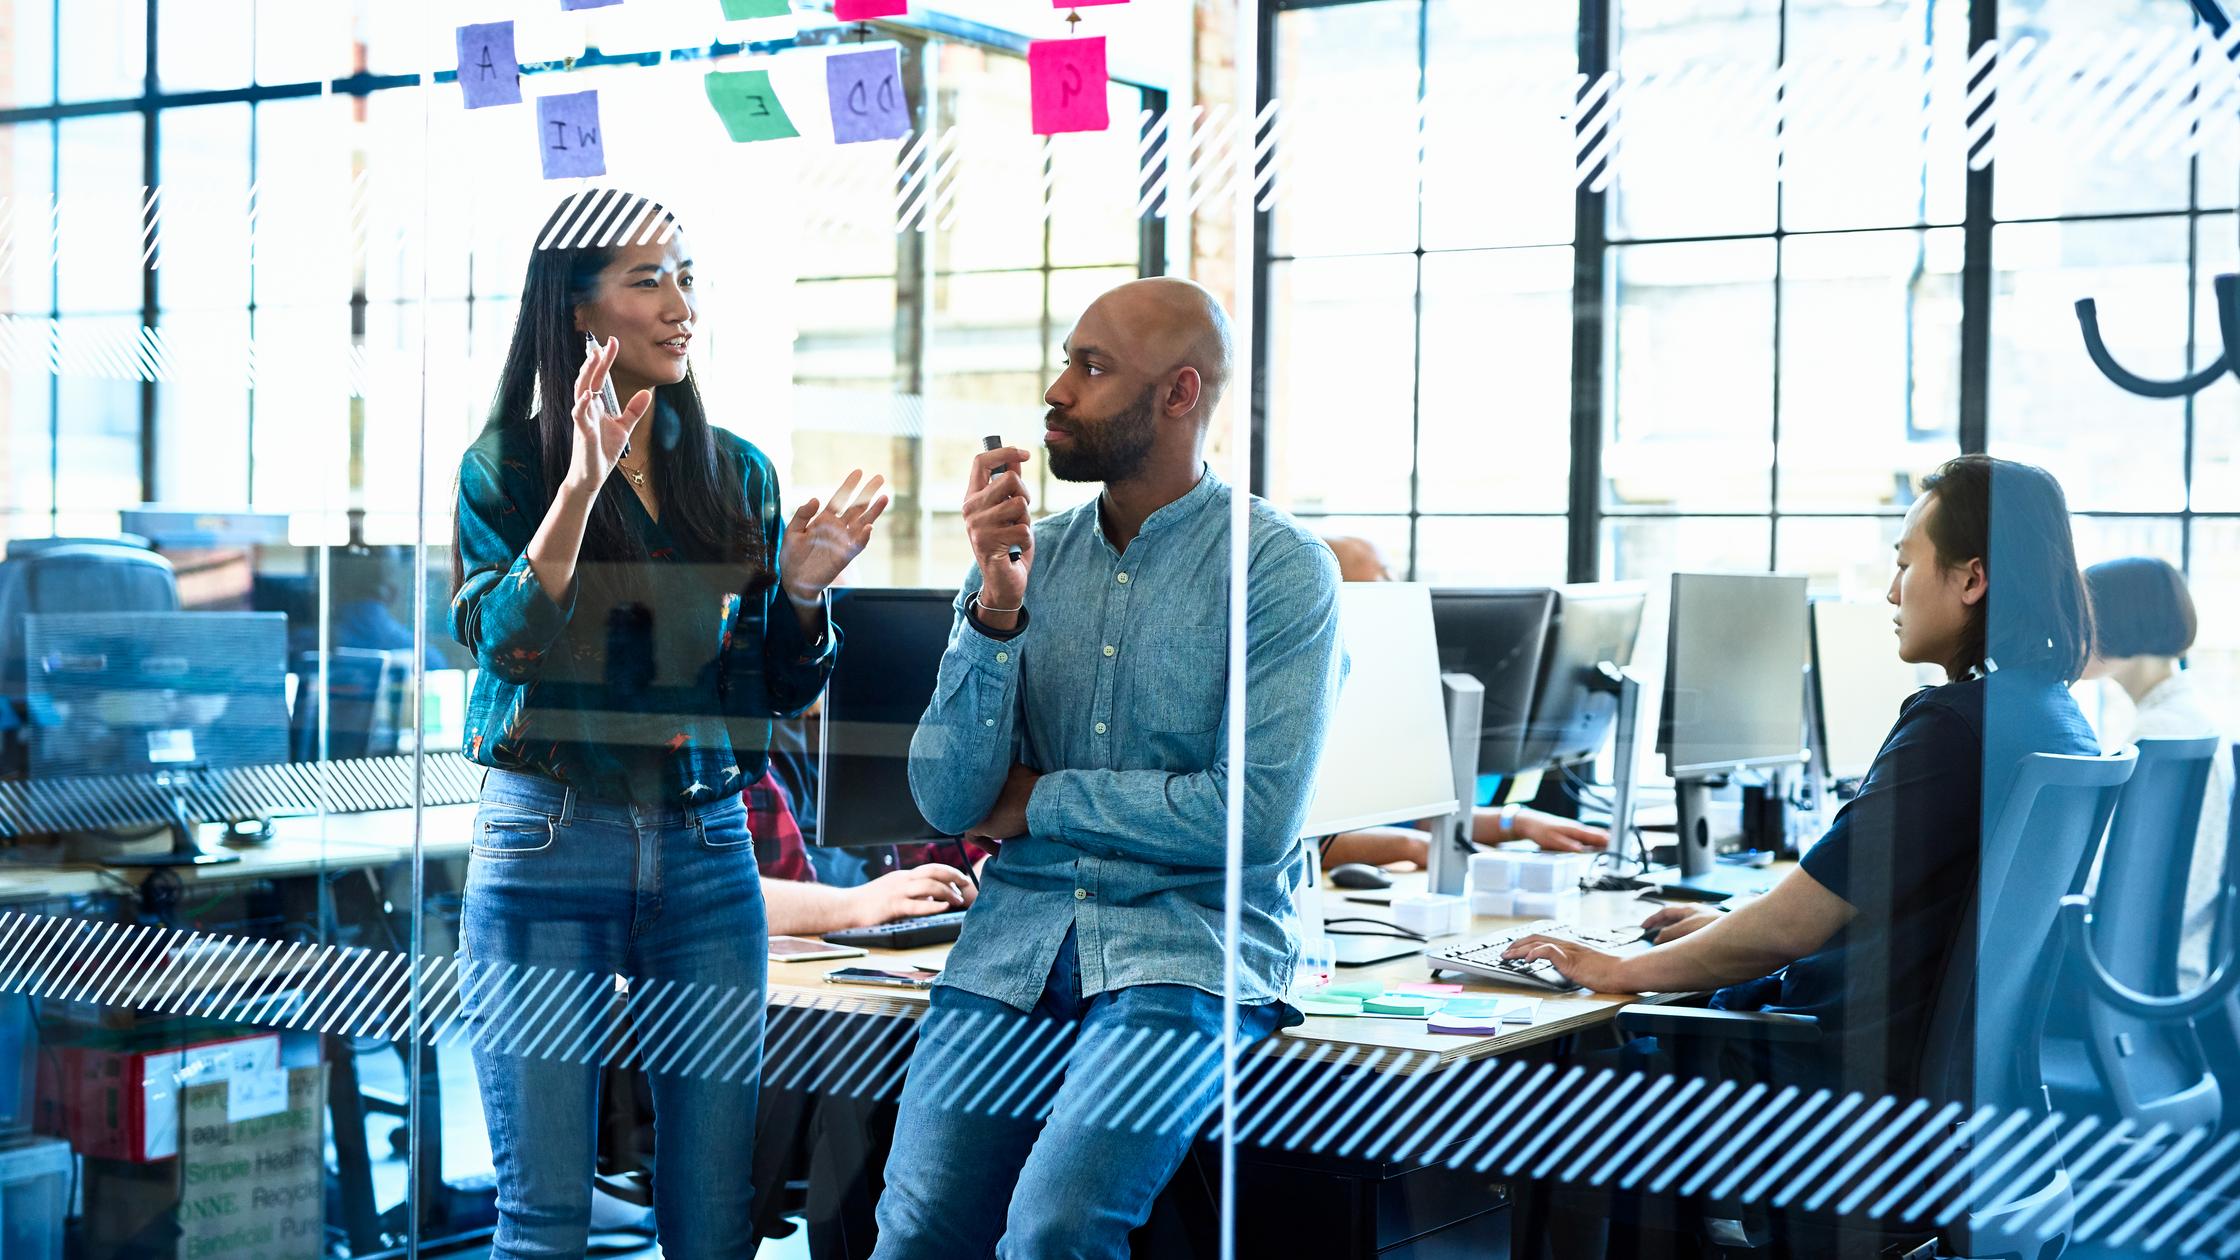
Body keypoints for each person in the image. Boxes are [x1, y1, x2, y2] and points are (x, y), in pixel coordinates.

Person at [1506, 455, 2098, 1257]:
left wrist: (1617, 968)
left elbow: (1791, 929)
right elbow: (1884, 913)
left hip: (1835, 1108)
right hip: (1946, 1116)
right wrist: (1729, 925)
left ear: (1971, 579)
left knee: (1561, 1075)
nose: (1892, 593)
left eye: (1905, 565)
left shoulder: (1952, 728)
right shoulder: (2054, 720)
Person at [448, 191, 886, 1260]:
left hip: (705, 847)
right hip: (551, 837)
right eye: (649, 281)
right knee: (544, 1221)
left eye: (686, 276)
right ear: (577, 309)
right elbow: (508, 643)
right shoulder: (506, 468)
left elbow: (769, 693)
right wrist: (580, 486)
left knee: (713, 1216)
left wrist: (803, 594)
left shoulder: (735, 472)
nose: (681, 305)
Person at [869, 278, 1345, 1259]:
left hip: (1184, 952)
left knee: (1055, 1230)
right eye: (1065, 362)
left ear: (1177, 394)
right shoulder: (1023, 557)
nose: (1057, 390)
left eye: (1091, 369)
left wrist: (1039, 800)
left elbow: (1251, 819)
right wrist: (994, 613)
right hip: (1012, 946)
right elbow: (949, 800)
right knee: (915, 1235)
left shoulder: (1278, 568)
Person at [1318, 533, 1610, 867]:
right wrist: (1416, 847)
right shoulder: (1309, 701)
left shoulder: (1379, 695)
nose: (1397, 590)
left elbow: (1413, 816)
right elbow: (1296, 837)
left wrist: (1517, 823)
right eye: (1382, 579)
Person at [2082, 556, 2231, 988]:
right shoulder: (2188, 718)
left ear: (2121, 624)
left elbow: (2115, 882)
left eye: (2081, 616)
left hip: (2140, 972)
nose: (2070, 631)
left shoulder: (2163, 732)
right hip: (2166, 961)